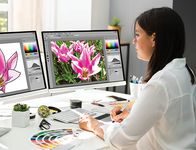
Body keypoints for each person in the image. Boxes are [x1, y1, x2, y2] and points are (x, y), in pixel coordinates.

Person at [79, 7, 196, 149]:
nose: (134, 41)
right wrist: (134, 113)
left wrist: (94, 125)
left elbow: (120, 140)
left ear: (154, 39)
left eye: (137, 35)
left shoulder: (160, 83)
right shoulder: (184, 71)